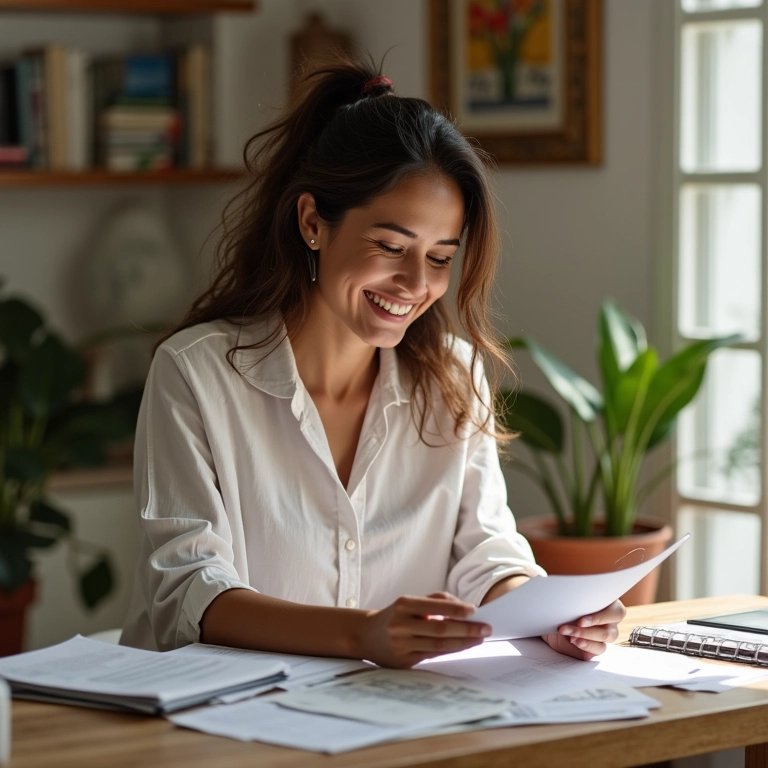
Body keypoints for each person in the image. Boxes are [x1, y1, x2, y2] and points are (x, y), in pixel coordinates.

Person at [120, 59, 625, 668]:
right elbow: (190, 593)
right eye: (390, 247)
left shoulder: (454, 378)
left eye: (440, 257)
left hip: (389, 726)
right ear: (312, 222)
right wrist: (362, 634)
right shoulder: (195, 375)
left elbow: (485, 554)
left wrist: (549, 614)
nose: (416, 283)